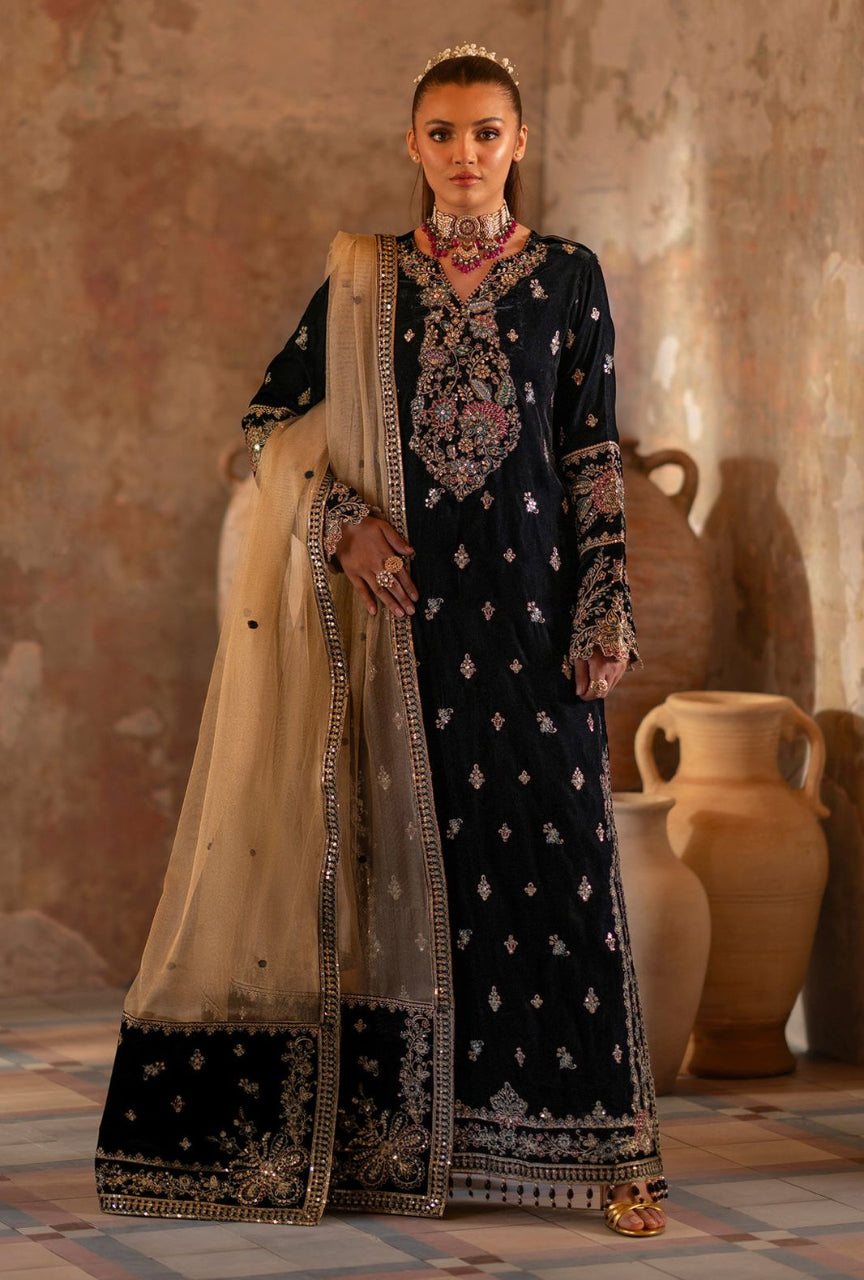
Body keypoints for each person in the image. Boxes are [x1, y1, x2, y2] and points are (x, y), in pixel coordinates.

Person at [95, 44, 667, 1237]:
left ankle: (604, 1151)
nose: (467, 155)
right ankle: (406, 1146)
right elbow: (262, 429)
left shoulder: (569, 276)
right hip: (395, 636)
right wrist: (346, 523)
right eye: (444, 134)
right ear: (412, 148)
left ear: (520, 145)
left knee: (557, 871)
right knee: (407, 878)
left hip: (532, 626)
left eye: (488, 133)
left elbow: (592, 455)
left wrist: (605, 601)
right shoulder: (366, 280)